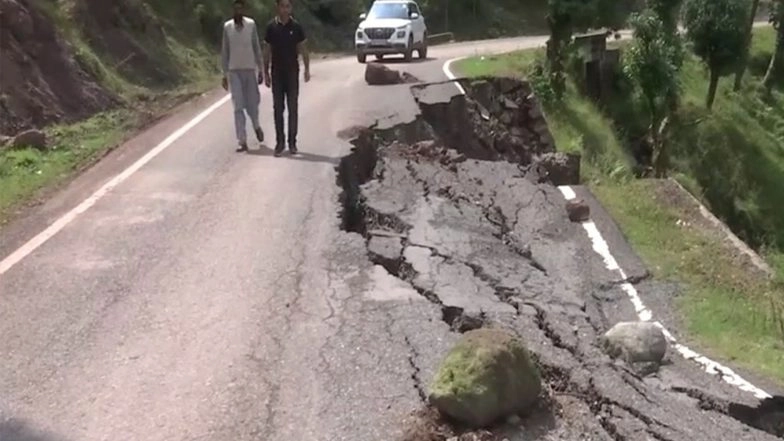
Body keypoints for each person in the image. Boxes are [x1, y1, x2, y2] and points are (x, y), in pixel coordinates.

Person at [263, 0, 310, 157]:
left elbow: (303, 49)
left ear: (291, 8)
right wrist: (266, 72)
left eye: (288, 6)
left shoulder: (296, 27)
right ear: (277, 8)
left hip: (292, 73)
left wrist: (307, 69)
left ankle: (292, 142)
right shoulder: (271, 27)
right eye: (282, 6)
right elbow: (267, 50)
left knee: (293, 108)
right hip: (277, 73)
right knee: (278, 109)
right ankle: (280, 142)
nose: (285, 9)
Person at [221, 0, 265, 153]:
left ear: (244, 9)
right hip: (234, 71)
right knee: (238, 106)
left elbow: (256, 47)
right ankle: (242, 140)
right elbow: (225, 51)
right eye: (235, 8)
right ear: (233, 10)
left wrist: (261, 70)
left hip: (249, 69)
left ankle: (256, 125)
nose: (238, 11)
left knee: (253, 103)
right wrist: (224, 74)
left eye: (241, 8)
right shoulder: (227, 27)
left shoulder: (251, 25)